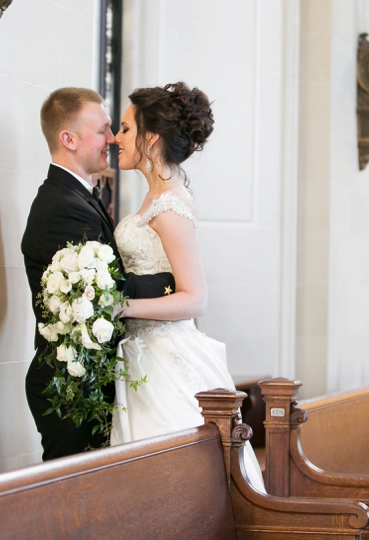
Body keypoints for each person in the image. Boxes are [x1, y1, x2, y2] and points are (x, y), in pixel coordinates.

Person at [108, 82, 265, 491]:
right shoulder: (155, 197)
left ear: (151, 137)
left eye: (125, 129)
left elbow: (195, 298)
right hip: (143, 351)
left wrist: (121, 307)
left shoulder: (171, 205)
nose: (116, 138)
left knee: (170, 481)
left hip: (164, 353)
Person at [21, 87, 176, 461]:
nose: (111, 139)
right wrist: (171, 279)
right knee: (72, 504)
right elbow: (110, 289)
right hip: (71, 387)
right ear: (68, 139)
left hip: (88, 379)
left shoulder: (78, 196)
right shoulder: (61, 207)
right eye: (102, 130)